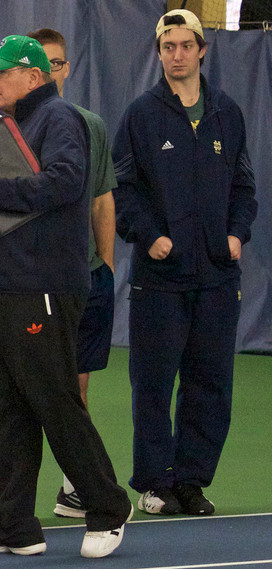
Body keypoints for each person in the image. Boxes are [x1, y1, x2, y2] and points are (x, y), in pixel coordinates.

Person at [0, 34, 131, 558]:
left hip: (41, 287)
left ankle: (109, 506)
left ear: (34, 76)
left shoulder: (59, 120)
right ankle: (13, 526)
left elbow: (65, 182)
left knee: (54, 399)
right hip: (2, 286)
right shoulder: (10, 126)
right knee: (5, 408)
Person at [112, 9, 257, 517]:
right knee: (152, 384)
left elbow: (244, 188)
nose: (176, 55)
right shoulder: (140, 115)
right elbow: (122, 191)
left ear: (201, 49)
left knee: (211, 383)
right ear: (159, 53)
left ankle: (192, 482)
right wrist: (149, 236)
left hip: (218, 277)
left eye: (185, 45)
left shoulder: (227, 113)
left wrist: (236, 235)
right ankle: (155, 483)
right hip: (160, 280)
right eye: (167, 46)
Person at [26, 27, 117, 520]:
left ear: (63, 69)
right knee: (27, 393)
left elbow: (103, 199)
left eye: (59, 63)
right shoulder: (9, 125)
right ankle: (0, 502)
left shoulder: (90, 125)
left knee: (75, 388)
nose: (52, 72)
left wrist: (101, 267)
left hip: (82, 281)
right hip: (28, 285)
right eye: (44, 63)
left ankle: (76, 489)